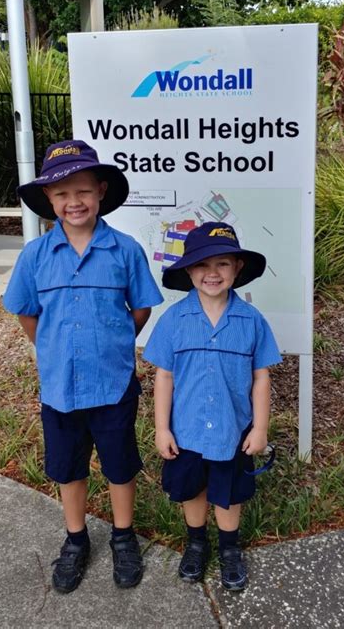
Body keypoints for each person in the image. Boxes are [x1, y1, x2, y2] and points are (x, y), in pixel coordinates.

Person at [3, 140, 163, 593]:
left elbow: (140, 309)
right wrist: (53, 350)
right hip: (60, 388)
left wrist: (111, 343)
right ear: (49, 203)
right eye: (61, 195)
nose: (74, 202)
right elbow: (26, 313)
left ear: (101, 191)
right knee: (68, 468)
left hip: (113, 384)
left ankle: (123, 535)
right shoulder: (34, 256)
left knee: (119, 465)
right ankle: (76, 539)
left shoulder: (125, 250)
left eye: (83, 192)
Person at [143, 222, 281, 591]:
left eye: (222, 263)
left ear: (237, 268)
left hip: (231, 433)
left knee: (229, 491)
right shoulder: (174, 320)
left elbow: (261, 377)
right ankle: (196, 542)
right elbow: (164, 377)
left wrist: (260, 428)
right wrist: (161, 428)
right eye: (202, 265)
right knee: (193, 490)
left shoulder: (252, 321)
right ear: (188, 270)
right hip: (186, 431)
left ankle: (230, 548)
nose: (212, 273)